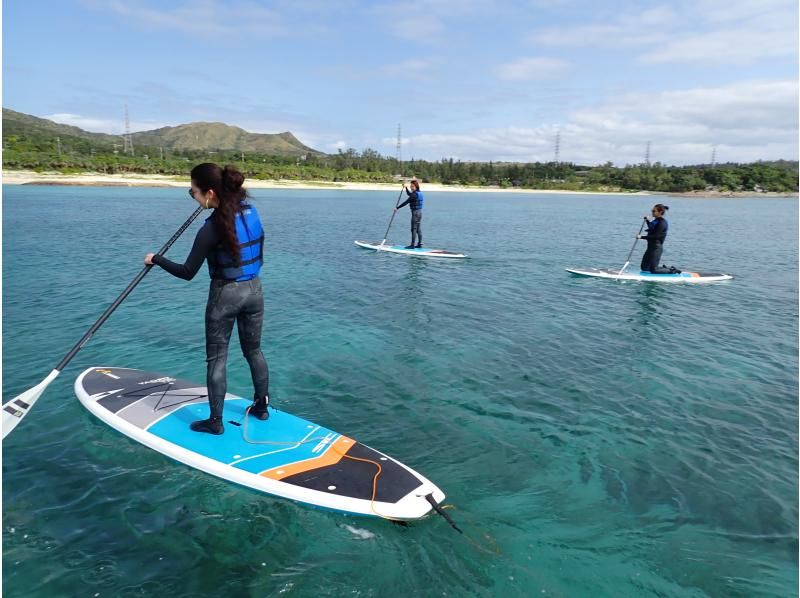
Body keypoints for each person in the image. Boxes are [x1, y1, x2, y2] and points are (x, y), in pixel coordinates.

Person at [144, 163, 270, 435]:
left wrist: (157, 260)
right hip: (255, 291)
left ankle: (215, 422)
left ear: (210, 193)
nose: (193, 196)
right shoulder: (251, 211)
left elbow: (187, 272)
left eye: (193, 192)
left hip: (225, 295)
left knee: (217, 359)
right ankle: (261, 407)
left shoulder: (210, 229)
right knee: (254, 351)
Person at [638, 204, 680, 274]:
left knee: (653, 270)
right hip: (650, 248)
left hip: (656, 248)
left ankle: (672, 270)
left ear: (660, 212)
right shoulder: (656, 220)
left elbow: (656, 236)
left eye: (654, 211)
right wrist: (647, 221)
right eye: (652, 211)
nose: (652, 212)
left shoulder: (662, 223)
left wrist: (641, 237)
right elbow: (652, 228)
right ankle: (664, 269)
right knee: (644, 268)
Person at [394, 179, 424, 249]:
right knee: (418, 229)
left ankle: (412, 245)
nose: (411, 187)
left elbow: (406, 202)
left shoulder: (414, 194)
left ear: (415, 186)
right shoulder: (418, 193)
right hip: (419, 213)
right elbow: (409, 194)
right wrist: (406, 188)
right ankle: (419, 244)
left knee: (413, 229)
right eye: (410, 186)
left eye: (412, 186)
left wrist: (397, 208)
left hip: (415, 213)